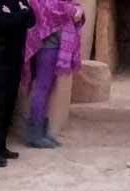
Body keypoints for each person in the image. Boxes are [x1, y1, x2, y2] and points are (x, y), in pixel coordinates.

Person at [0, 0, 36, 167]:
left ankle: (1, 145)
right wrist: (22, 14)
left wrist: (16, 15)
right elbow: (2, 23)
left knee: (9, 101)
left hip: (14, 55)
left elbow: (32, 19)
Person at [22, 0, 85, 149]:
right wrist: (74, 10)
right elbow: (55, 11)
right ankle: (35, 134)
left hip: (57, 46)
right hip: (46, 47)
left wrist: (77, 10)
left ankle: (42, 131)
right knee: (41, 89)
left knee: (47, 89)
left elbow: (74, 8)